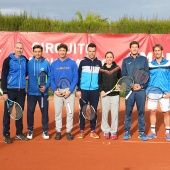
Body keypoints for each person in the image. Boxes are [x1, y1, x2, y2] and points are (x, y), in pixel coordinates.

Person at [1, 42, 28, 144]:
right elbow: (3, 76)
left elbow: (28, 72)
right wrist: (4, 92)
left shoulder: (25, 60)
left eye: (21, 48)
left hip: (21, 91)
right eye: (17, 48)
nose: (19, 50)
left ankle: (19, 133)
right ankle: (6, 134)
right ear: (14, 48)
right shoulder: (8, 60)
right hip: (10, 91)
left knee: (19, 113)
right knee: (7, 113)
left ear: (23, 49)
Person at [122, 41, 149, 141]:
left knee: (141, 112)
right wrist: (131, 85)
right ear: (130, 49)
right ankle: (127, 131)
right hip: (129, 91)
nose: (134, 49)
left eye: (136, 47)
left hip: (141, 91)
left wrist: (141, 85)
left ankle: (141, 132)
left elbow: (147, 75)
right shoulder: (125, 61)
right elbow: (123, 76)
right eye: (132, 47)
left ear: (138, 48)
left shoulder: (143, 59)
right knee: (128, 112)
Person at [51, 43, 78, 140]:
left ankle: (68, 131)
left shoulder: (72, 63)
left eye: (64, 50)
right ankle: (58, 131)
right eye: (60, 50)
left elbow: (75, 77)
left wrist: (70, 91)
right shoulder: (54, 64)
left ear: (66, 51)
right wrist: (54, 90)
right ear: (58, 52)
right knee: (58, 113)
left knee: (70, 113)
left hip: (69, 92)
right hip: (58, 92)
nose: (62, 52)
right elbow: (52, 78)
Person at [76, 43, 102, 139]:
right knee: (83, 110)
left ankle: (92, 130)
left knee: (93, 111)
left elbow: (100, 78)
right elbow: (78, 77)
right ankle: (82, 130)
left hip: (95, 91)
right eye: (90, 51)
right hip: (84, 90)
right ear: (87, 51)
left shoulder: (99, 63)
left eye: (93, 51)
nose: (91, 53)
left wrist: (99, 89)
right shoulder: (82, 62)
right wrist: (78, 89)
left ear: (95, 51)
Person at [146, 44, 170, 141]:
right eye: (155, 50)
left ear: (162, 51)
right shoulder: (150, 64)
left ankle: (168, 133)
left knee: (166, 113)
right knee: (152, 111)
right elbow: (147, 79)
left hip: (165, 92)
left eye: (158, 50)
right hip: (152, 92)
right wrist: (147, 91)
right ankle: (153, 132)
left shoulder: (168, 63)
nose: (157, 52)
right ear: (153, 52)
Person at [27, 44, 51, 140]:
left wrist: (46, 86)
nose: (37, 53)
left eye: (39, 51)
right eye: (36, 51)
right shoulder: (29, 63)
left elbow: (50, 76)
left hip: (42, 94)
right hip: (31, 93)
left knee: (44, 112)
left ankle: (45, 130)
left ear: (42, 52)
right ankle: (30, 130)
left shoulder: (46, 63)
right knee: (30, 112)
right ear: (33, 52)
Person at [99, 51, 122, 139]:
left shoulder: (117, 68)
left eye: (110, 57)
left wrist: (119, 86)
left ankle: (113, 132)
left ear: (113, 58)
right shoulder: (101, 69)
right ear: (105, 58)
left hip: (115, 95)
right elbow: (99, 81)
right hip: (105, 95)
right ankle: (106, 131)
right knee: (105, 113)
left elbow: (121, 79)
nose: (109, 59)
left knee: (115, 114)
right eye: (107, 57)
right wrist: (101, 91)